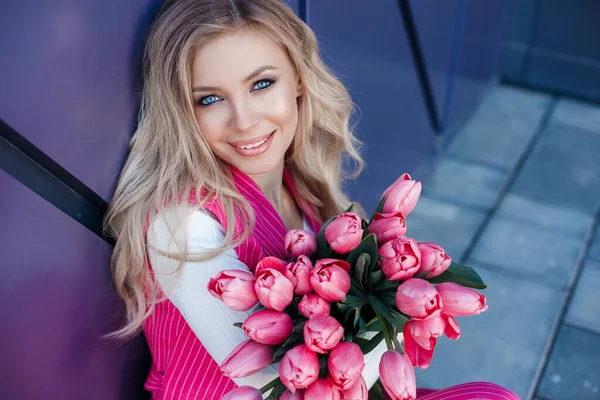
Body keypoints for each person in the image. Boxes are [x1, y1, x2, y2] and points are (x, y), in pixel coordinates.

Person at [105, 1, 520, 399]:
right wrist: (402, 305)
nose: (245, 120)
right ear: (181, 111)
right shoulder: (181, 224)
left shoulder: (301, 186)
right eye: (209, 99)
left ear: (299, 79)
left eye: (262, 84)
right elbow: (278, 380)